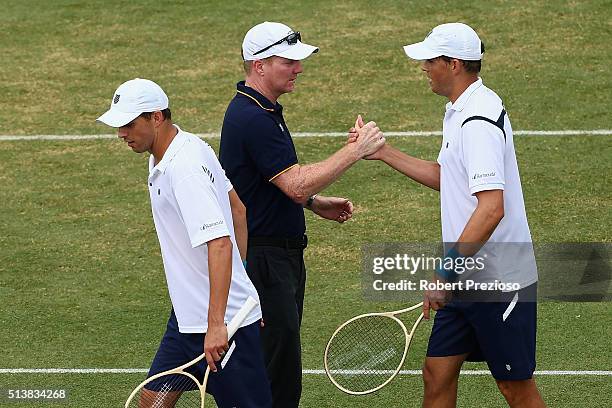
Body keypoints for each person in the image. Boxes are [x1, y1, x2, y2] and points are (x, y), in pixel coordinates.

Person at [353, 23, 546, 407]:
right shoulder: (463, 109)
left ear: (453, 64)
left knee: (515, 388)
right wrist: (383, 152)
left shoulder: (476, 122)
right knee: (437, 371)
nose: (423, 67)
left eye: (430, 60)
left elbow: (492, 207)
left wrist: (444, 272)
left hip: (496, 282)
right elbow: (451, 179)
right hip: (467, 273)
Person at [219, 22, 385, 408]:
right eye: (289, 61)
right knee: (275, 379)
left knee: (278, 370)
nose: (299, 68)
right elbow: (293, 183)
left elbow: (270, 183)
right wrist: (355, 151)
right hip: (265, 262)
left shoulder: (262, 109)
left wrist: (313, 203)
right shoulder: (253, 118)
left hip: (277, 259)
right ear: (259, 65)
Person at [97, 78, 272, 407]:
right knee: (153, 402)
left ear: (157, 117)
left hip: (225, 326)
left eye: (129, 124)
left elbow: (220, 243)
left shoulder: (185, 168)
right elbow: (238, 209)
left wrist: (220, 320)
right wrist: (242, 282)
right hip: (188, 319)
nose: (121, 133)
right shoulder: (179, 150)